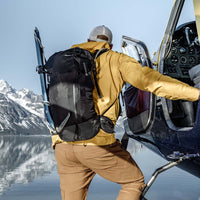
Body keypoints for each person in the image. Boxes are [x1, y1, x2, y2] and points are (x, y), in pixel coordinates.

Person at [52, 25, 200, 200]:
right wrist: (195, 93)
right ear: (111, 45)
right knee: (134, 182)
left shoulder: (64, 63)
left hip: (63, 147)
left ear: (88, 41)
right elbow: (150, 82)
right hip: (95, 144)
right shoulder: (115, 59)